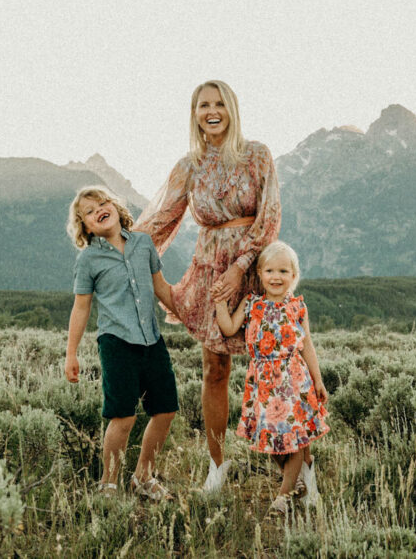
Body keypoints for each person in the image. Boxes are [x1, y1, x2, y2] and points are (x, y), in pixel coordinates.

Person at [135, 80, 284, 492]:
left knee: (272, 366)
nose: (211, 111)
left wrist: (241, 265)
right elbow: (162, 217)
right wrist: (118, 243)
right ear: (194, 112)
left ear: (231, 109)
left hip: (254, 269)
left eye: (219, 104)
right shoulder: (189, 165)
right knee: (214, 370)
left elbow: (269, 216)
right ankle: (217, 467)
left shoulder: (256, 155)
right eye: (204, 105)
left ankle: (293, 467)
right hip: (210, 270)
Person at [64, 186, 179, 501]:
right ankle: (108, 484)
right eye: (89, 211)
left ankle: (143, 477)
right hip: (116, 341)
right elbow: (81, 307)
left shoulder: (142, 243)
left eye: (102, 202)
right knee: (123, 416)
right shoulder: (89, 259)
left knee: (166, 410)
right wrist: (71, 353)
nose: (99, 209)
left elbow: (161, 288)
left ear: (115, 206)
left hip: (152, 339)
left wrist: (190, 314)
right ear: (85, 227)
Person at [215, 241, 328, 515]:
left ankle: (283, 496)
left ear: (293, 275)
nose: (276, 277)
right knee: (276, 444)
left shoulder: (297, 307)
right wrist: (219, 302)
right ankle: (298, 482)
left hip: (293, 380)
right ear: (260, 274)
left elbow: (307, 344)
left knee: (296, 438)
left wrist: (318, 379)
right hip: (263, 384)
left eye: (283, 271)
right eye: (269, 271)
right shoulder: (252, 304)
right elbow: (229, 328)